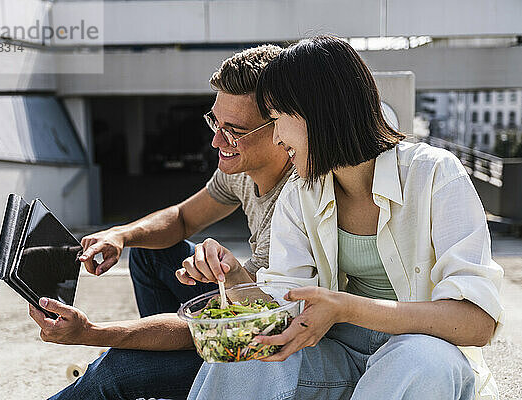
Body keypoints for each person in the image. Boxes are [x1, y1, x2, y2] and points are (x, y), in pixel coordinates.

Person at [182, 36, 504, 400]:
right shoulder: (300, 193)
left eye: (277, 120)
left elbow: (478, 321)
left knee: (422, 359)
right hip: (337, 355)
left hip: (420, 353)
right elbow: (282, 307)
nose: (276, 139)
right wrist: (235, 276)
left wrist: (347, 308)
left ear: (317, 114)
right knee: (246, 357)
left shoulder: (434, 174)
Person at [28, 44, 295, 400]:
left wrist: (95, 332)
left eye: (234, 130)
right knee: (148, 250)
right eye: (215, 122)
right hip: (239, 317)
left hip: (258, 349)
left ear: (281, 127)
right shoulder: (242, 169)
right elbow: (183, 218)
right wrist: (122, 235)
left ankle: (156, 376)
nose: (216, 140)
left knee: (114, 372)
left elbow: (209, 330)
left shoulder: (297, 203)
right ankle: (162, 384)